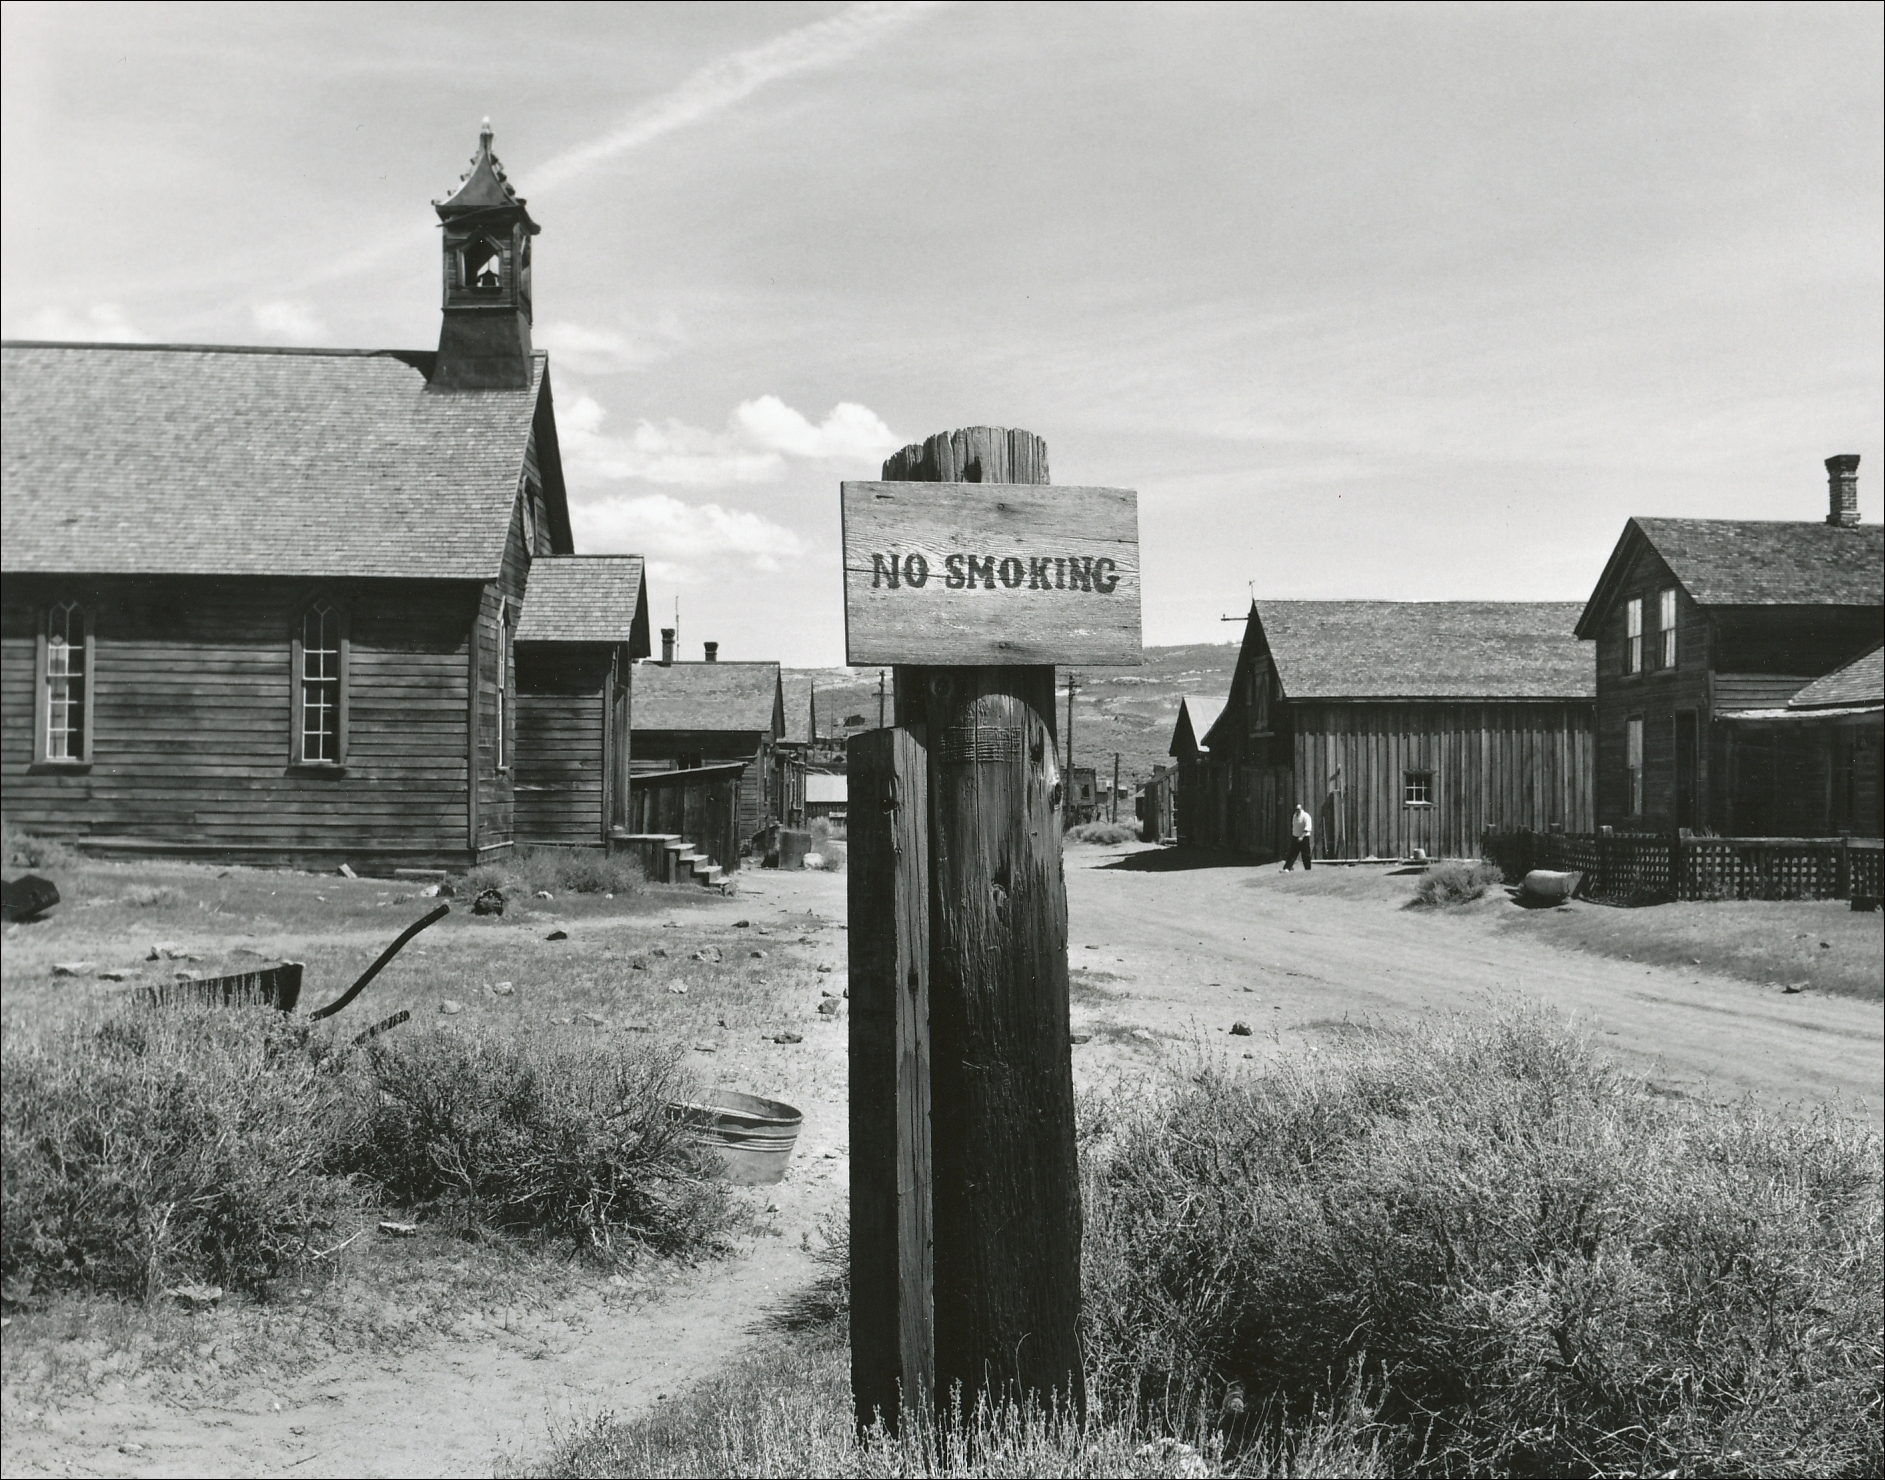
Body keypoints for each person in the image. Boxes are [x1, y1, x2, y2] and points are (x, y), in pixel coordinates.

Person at [1284, 802, 1313, 871]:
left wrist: (1302, 837)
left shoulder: (1306, 816)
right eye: (1296, 809)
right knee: (1292, 853)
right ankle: (1287, 868)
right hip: (1295, 837)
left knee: (1305, 854)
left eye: (1298, 809)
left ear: (1301, 809)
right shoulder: (1294, 816)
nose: (1297, 811)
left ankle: (1308, 869)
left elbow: (1308, 827)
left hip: (1304, 838)